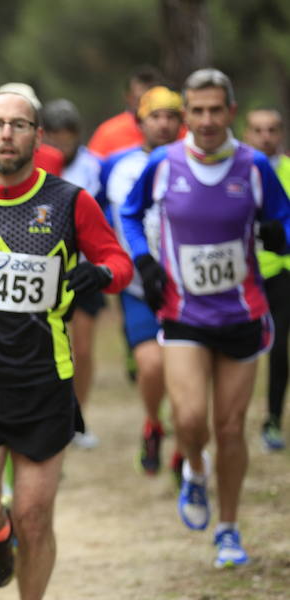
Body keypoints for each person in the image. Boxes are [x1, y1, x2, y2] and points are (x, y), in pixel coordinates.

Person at [0, 90, 132, 598]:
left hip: (44, 380)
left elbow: (119, 263)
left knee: (35, 516)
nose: (7, 134)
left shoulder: (70, 200)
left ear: (37, 135)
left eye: (19, 125)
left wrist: (100, 273)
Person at [121, 68, 290, 568]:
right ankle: (195, 469)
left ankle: (229, 529)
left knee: (231, 426)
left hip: (242, 313)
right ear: (186, 115)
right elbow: (130, 214)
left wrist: (279, 236)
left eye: (217, 109)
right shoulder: (164, 163)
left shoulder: (254, 166)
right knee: (191, 421)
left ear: (231, 113)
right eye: (198, 110)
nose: (208, 119)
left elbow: (282, 218)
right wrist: (144, 260)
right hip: (184, 313)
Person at [98, 86, 183, 475]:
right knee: (151, 366)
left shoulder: (191, 162)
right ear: (140, 121)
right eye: (156, 117)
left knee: (184, 369)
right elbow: (105, 215)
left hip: (187, 287)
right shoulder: (118, 165)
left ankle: (188, 440)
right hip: (138, 285)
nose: (163, 124)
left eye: (171, 116)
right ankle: (154, 423)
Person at [42, 98, 104, 449]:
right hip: (45, 270)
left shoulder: (93, 166)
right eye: (56, 137)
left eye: (68, 137)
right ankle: (51, 415)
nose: (62, 145)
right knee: (50, 345)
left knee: (82, 347)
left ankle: (77, 418)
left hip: (83, 271)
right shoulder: (33, 166)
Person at [243, 108, 290, 451]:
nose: (265, 137)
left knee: (278, 349)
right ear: (247, 133)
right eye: (258, 130)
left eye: (272, 130)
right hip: (240, 276)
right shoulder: (237, 170)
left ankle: (272, 419)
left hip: (280, 273)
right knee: (237, 352)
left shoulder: (289, 171)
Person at [87, 65, 163, 159]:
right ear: (128, 97)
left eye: (153, 100)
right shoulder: (108, 133)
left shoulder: (177, 130)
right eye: (140, 100)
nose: (146, 106)